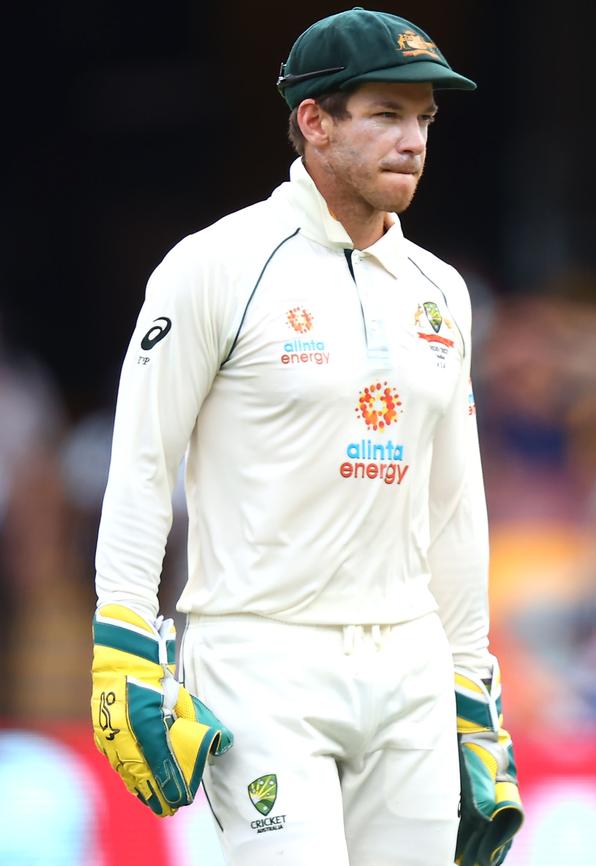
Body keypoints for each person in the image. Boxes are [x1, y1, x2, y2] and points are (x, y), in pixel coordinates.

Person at [91, 8, 523, 866]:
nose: (413, 141)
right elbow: (143, 464)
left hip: (407, 663)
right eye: (388, 115)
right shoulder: (216, 265)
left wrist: (471, 686)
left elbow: (454, 504)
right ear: (313, 121)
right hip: (261, 655)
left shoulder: (442, 291)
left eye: (425, 121)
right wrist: (123, 643)